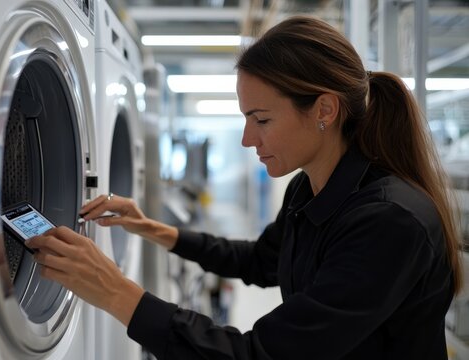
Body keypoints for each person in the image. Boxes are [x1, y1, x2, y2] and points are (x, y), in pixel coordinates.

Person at [26, 15, 463, 359]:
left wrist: (117, 291)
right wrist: (152, 228)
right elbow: (259, 261)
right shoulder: (308, 189)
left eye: (262, 119)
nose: (247, 139)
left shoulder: (389, 222)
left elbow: (260, 355)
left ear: (324, 110)